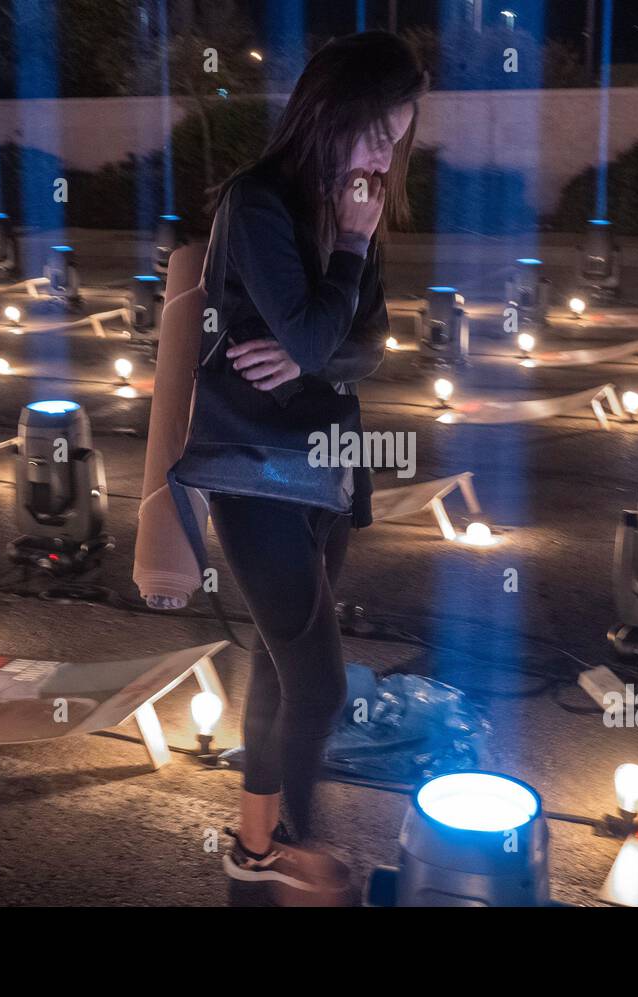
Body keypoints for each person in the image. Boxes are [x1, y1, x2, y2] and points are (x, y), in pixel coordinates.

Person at [195, 31, 427, 895]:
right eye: (373, 132)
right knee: (321, 684)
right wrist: (347, 259)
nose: (382, 154)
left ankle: (256, 844)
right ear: (328, 110)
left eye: (396, 138)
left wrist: (306, 352)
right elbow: (321, 329)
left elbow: (367, 344)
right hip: (253, 470)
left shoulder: (355, 208)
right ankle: (291, 845)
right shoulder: (258, 204)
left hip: (328, 464)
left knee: (279, 660)